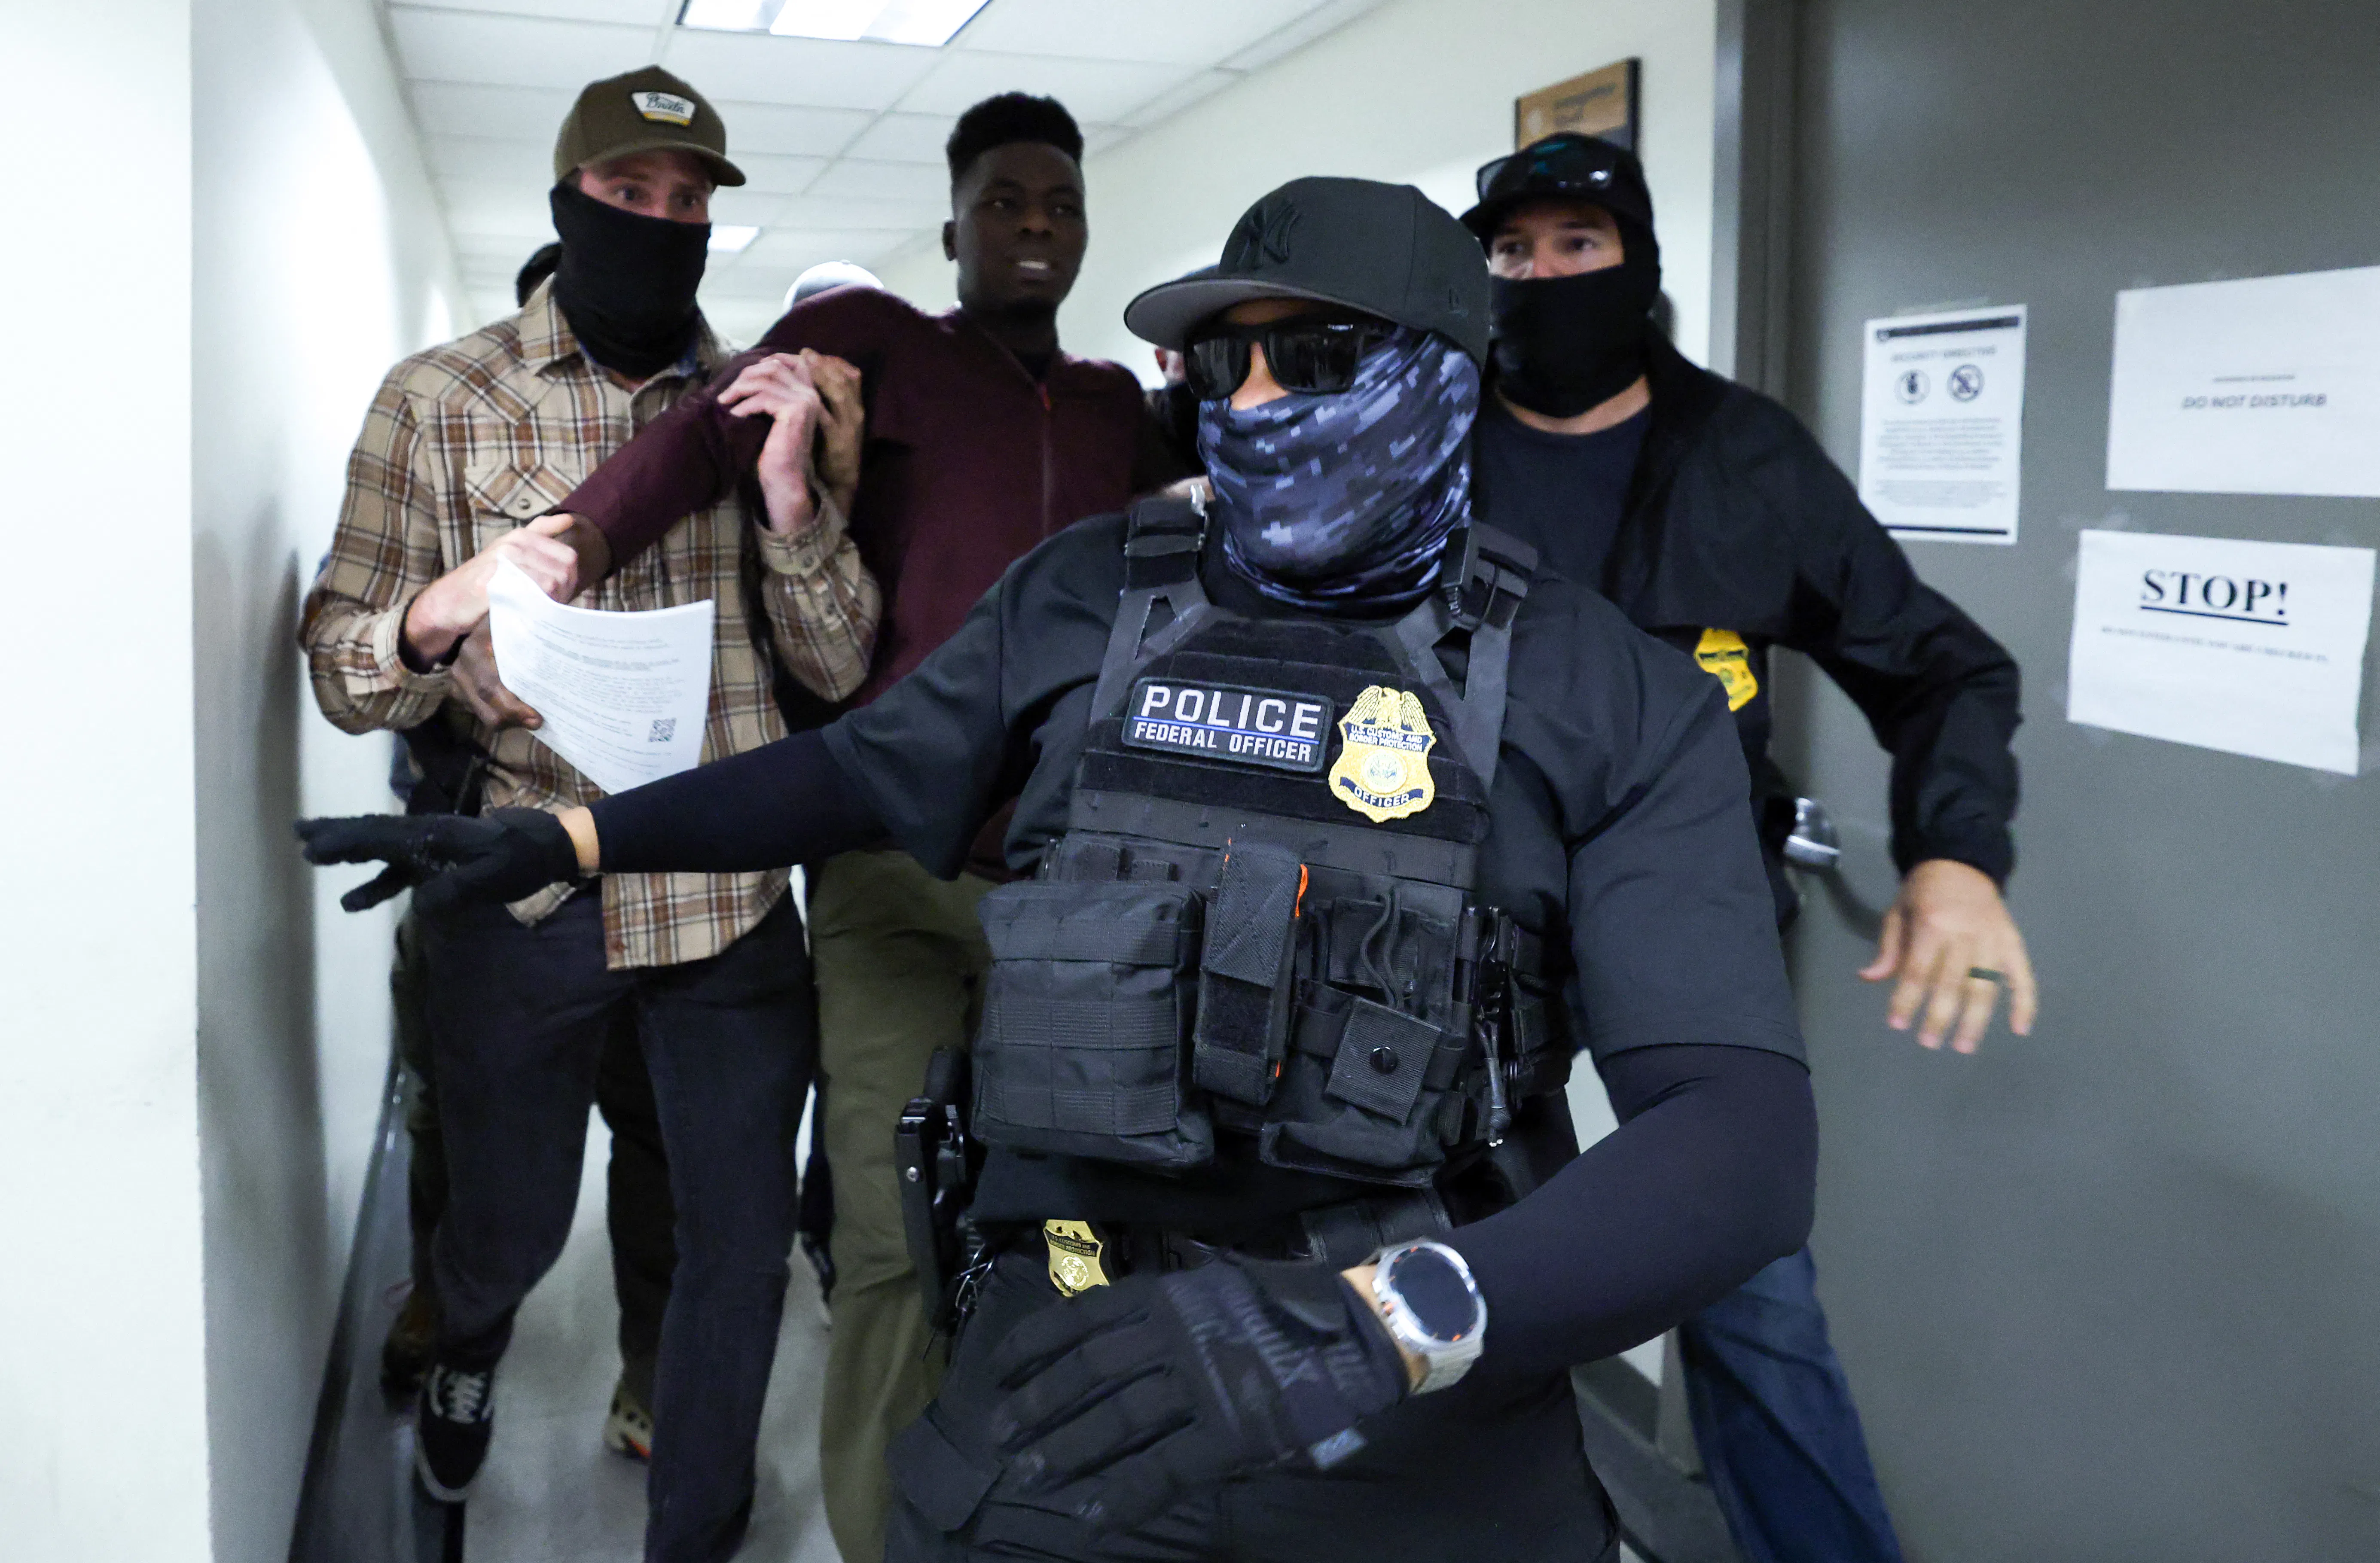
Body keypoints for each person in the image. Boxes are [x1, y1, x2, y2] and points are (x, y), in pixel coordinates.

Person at [299, 175, 1817, 1563]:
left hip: (1408, 1431)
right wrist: (569, 836)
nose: (1263, 399)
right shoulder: (1092, 599)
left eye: (1320, 357)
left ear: (1444, 371)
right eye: (1228, 363)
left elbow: (1739, 1140)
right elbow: (853, 772)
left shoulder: (1605, 695)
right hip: (1064, 1387)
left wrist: (1380, 1325)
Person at [543, 90, 1193, 1563]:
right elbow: (708, 442)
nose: (1037, 227)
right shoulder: (886, 349)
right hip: (891, 868)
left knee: (1069, 1236)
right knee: (891, 1229)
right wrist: (568, 542)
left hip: (1078, 893)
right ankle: (882, 1538)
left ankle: (1036, 1517)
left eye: (1061, 205)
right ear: (955, 218)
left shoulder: (1114, 410)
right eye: (1007, 201)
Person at [297, 64, 878, 1560]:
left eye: (690, 204)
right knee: (504, 1220)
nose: (663, 223)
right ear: (570, 204)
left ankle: (689, 1499)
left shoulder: (758, 398)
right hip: (526, 890)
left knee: (725, 1246)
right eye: (631, 196)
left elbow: (838, 666)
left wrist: (801, 507)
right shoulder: (441, 398)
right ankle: (472, 1341)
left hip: (724, 902)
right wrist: (446, 615)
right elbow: (342, 664)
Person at [1462, 131, 2035, 1563]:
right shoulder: (1432, 438)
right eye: (1511, 253)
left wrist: (1955, 858)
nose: (1540, 276)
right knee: (1451, 1249)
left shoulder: (1745, 456)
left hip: (1686, 902)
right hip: (1462, 903)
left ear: (1637, 264)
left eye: (1574, 248)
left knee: (1749, 1284)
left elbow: (1942, 667)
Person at [374, 238, 674, 1473]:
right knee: (487, 1160)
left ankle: (649, 1370)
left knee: (660, 1163)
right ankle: (463, 1327)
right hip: (496, 878)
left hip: (667, 884)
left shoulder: (687, 464)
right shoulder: (447, 434)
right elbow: (368, 656)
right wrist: (448, 644)